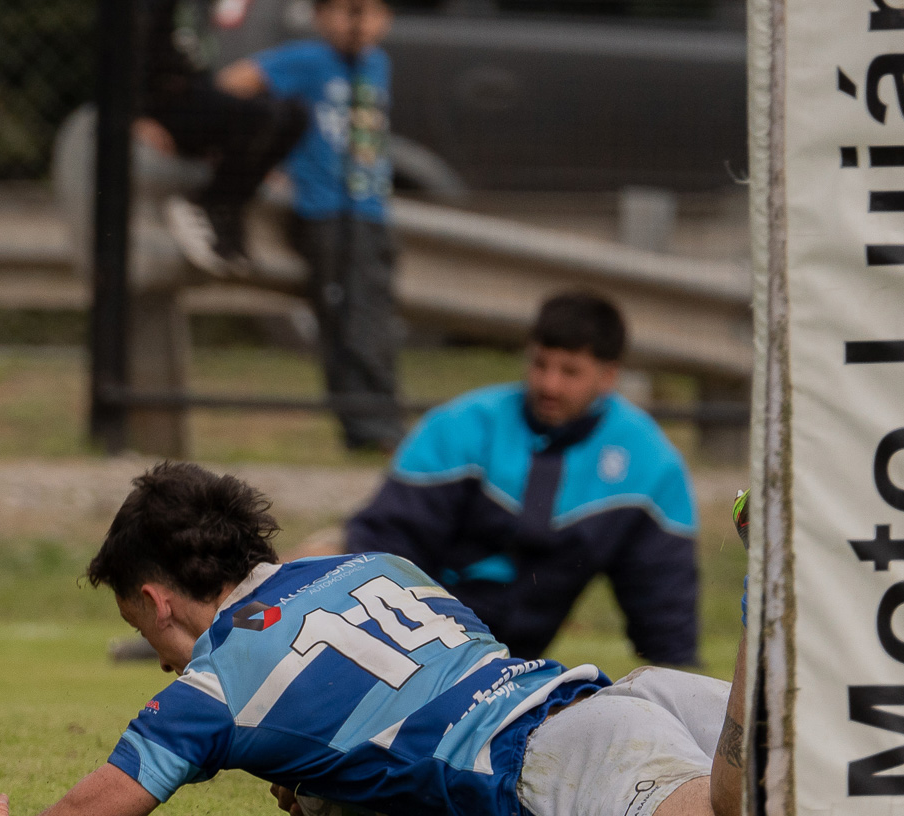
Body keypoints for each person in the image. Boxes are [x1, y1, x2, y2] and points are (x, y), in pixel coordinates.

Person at [0, 462, 749, 816]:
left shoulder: (213, 689)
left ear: (155, 600)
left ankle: (765, 594)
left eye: (138, 625)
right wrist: (333, 796)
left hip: (556, 763)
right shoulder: (376, 566)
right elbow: (397, 765)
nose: (162, 655)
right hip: (625, 695)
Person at [342, 291, 701, 667]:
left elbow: (666, 621)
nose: (549, 385)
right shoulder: (458, 428)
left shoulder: (650, 466)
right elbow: (380, 551)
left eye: (570, 372)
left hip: (517, 670)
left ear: (608, 376)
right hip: (412, 643)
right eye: (540, 364)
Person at [216, 0, 404, 451]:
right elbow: (234, 84)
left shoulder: (377, 64)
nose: (356, 23)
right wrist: (265, 155)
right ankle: (366, 426)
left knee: (375, 315)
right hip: (325, 210)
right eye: (343, 11)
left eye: (369, 12)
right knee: (346, 318)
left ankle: (384, 415)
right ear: (320, 16)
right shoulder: (307, 59)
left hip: (370, 209)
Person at [135, 0, 310, 276]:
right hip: (160, 105)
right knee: (262, 117)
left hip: (192, 99)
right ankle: (206, 205)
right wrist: (136, 115)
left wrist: (253, 150)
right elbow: (122, 52)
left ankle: (230, 208)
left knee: (293, 114)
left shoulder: (199, 9)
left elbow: (198, 70)